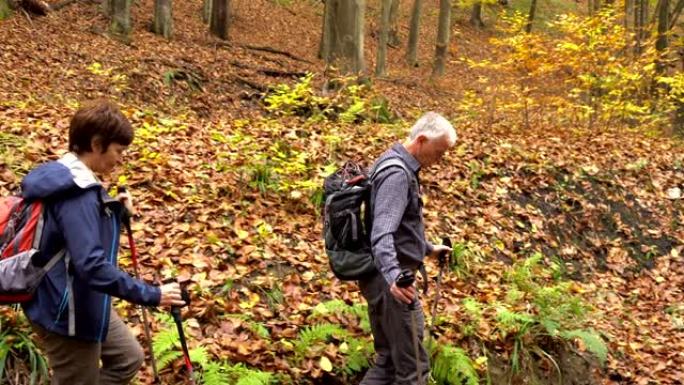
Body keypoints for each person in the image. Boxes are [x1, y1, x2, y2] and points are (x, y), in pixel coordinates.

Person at [20, 100, 186, 385]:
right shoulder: (77, 192)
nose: (121, 159)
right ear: (97, 144)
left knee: (128, 357)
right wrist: (153, 294)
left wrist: (115, 213)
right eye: (119, 151)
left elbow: (71, 234)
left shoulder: (66, 174)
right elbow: (92, 265)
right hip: (65, 309)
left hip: (81, 296)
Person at [360, 112, 457, 385]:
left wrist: (427, 249)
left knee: (388, 364)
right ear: (422, 140)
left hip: (380, 278)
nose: (440, 159)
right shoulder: (397, 175)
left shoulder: (391, 161)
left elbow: (396, 225)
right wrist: (394, 278)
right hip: (393, 284)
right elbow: (382, 233)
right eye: (439, 152)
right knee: (414, 370)